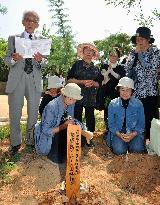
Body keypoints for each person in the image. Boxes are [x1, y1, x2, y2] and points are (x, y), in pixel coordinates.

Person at [5, 10, 48, 156]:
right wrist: (13, 59)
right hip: (17, 79)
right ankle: (15, 143)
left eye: (33, 20)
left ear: (37, 24)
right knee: (15, 113)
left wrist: (40, 60)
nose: (30, 23)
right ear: (23, 22)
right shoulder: (13, 38)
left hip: (34, 80)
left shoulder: (42, 39)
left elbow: (46, 62)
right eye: (27, 20)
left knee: (33, 113)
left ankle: (30, 142)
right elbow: (6, 59)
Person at [34, 83, 93, 163]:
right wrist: (64, 126)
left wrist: (83, 129)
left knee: (80, 138)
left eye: (75, 99)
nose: (73, 102)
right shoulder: (52, 107)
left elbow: (71, 118)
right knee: (59, 159)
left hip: (62, 130)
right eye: (72, 99)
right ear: (64, 95)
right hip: (51, 137)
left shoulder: (70, 102)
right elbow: (46, 131)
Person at [125, 27, 160, 140]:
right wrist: (135, 55)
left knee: (150, 118)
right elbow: (127, 69)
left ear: (148, 39)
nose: (139, 42)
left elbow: (152, 71)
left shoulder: (155, 52)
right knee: (136, 117)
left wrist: (140, 56)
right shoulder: (132, 52)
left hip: (150, 92)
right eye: (137, 39)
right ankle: (137, 141)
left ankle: (150, 142)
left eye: (141, 39)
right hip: (136, 91)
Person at [67, 43, 102, 147]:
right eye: (86, 50)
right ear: (83, 52)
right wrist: (82, 82)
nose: (88, 52)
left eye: (91, 51)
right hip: (76, 97)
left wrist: (93, 83)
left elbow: (99, 84)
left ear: (93, 54)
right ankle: (77, 138)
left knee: (90, 118)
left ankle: (89, 138)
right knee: (76, 117)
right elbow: (69, 80)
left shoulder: (96, 68)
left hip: (90, 98)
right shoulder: (76, 65)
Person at [105, 77, 145, 155]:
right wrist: (119, 134)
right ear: (119, 90)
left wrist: (133, 134)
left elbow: (141, 123)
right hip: (118, 132)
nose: (125, 92)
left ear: (132, 91)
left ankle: (132, 144)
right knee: (119, 150)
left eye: (128, 90)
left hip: (134, 131)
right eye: (122, 89)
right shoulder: (113, 104)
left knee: (137, 149)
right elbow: (111, 124)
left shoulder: (138, 104)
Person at [99, 48, 126, 121]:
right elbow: (103, 79)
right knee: (107, 114)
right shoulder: (104, 65)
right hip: (106, 94)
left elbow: (121, 78)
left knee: (118, 114)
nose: (112, 57)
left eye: (115, 56)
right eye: (111, 55)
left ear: (118, 57)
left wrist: (112, 72)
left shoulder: (121, 67)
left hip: (117, 94)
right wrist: (108, 71)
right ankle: (108, 130)